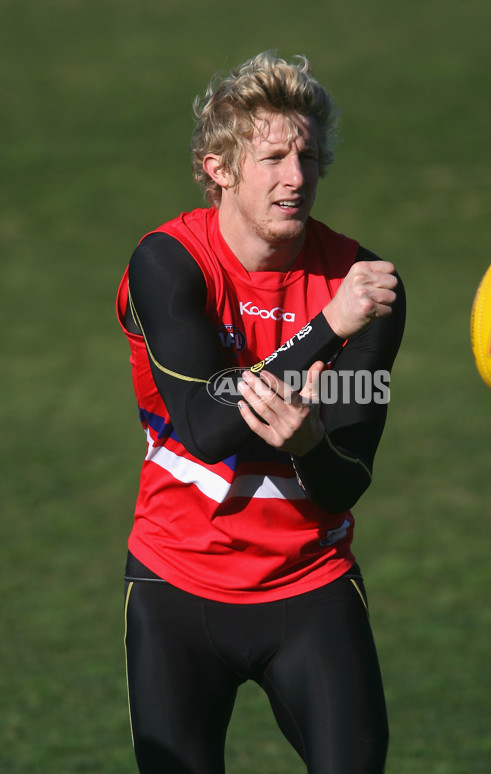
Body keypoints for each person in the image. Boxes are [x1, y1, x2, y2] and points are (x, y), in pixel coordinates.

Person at [116, 50, 406, 774]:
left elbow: (347, 476)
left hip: (311, 588)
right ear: (219, 168)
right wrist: (326, 329)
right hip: (175, 588)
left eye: (308, 155)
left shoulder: (365, 288)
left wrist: (311, 443)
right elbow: (204, 426)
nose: (296, 177)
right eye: (273, 156)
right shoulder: (167, 263)